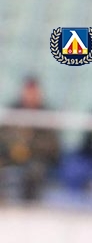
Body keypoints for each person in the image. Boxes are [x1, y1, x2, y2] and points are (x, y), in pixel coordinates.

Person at [0, 74, 61, 202]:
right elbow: (3, 135)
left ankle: (28, 206)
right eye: (28, 91)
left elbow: (52, 144)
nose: (30, 96)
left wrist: (28, 148)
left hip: (37, 159)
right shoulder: (13, 111)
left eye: (33, 92)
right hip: (10, 156)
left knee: (34, 172)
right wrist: (14, 147)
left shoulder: (47, 114)